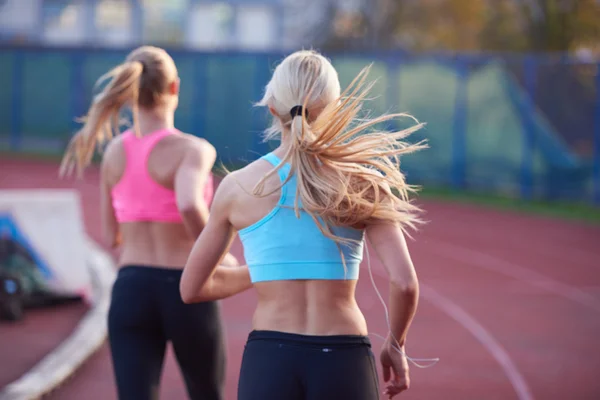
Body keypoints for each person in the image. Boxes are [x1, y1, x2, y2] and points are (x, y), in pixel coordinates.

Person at [180, 50, 429, 400]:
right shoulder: (363, 183)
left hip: (270, 359)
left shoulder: (238, 187)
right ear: (336, 110)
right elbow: (404, 284)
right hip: (344, 357)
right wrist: (396, 344)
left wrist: (270, 269)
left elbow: (191, 288)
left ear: (272, 109)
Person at [59, 45, 244, 400]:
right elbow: (189, 202)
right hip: (186, 289)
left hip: (130, 289)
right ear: (175, 88)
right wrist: (217, 256)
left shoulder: (114, 152)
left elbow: (111, 233)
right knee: (207, 393)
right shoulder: (193, 150)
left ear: (130, 92)